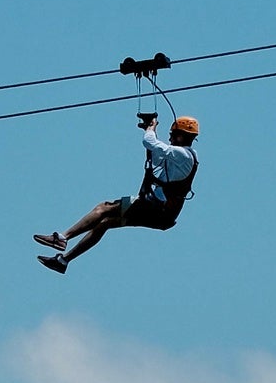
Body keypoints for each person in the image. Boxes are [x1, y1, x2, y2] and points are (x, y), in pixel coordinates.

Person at [35, 114, 199, 271]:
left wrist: (151, 127)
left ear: (180, 136)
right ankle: (63, 261)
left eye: (172, 134)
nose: (169, 137)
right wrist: (149, 129)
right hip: (161, 214)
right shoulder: (180, 157)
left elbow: (149, 142)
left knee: (104, 207)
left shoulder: (183, 155)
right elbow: (155, 154)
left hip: (155, 208)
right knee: (105, 223)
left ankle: (62, 238)